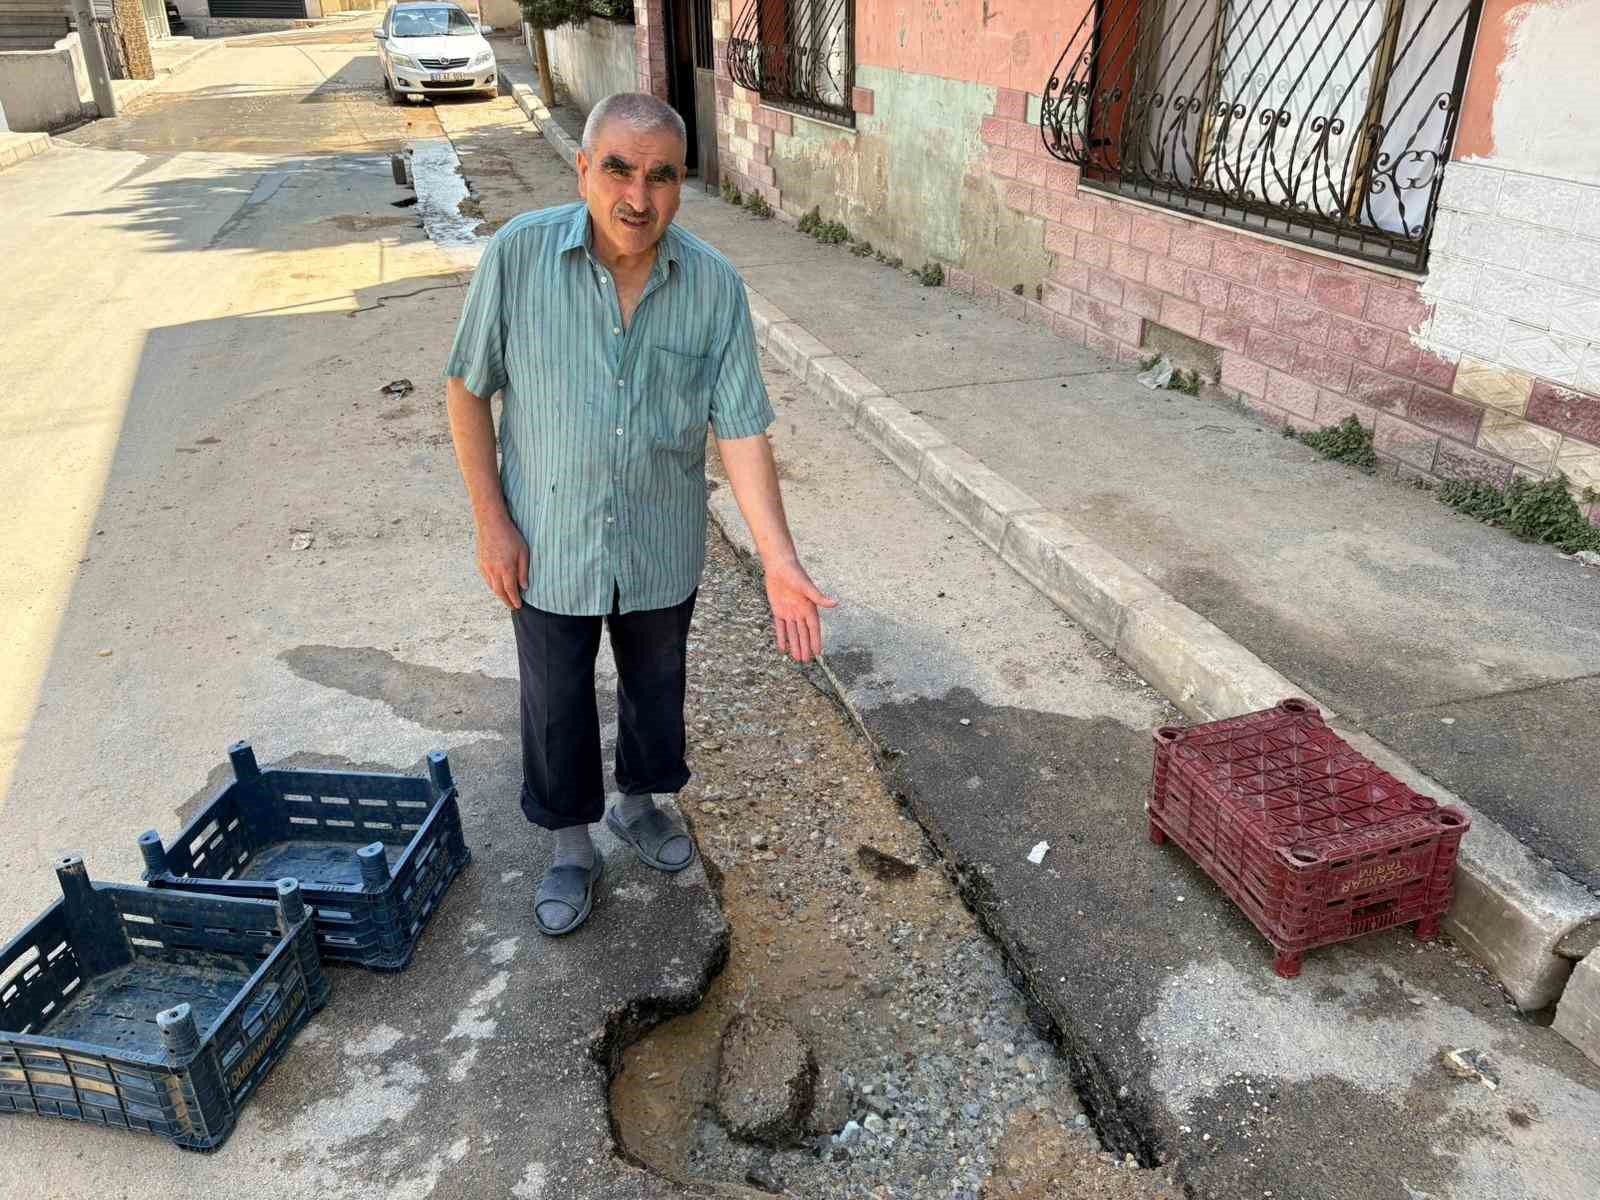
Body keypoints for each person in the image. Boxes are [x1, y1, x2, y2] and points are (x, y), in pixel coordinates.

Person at [443, 92, 834, 937]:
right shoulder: (516, 258)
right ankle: (571, 844)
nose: (637, 196)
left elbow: (740, 428)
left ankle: (640, 802)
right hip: (548, 539)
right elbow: (467, 389)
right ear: (582, 169)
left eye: (661, 176)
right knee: (555, 696)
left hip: (661, 538)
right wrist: (491, 521)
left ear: (681, 184)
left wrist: (778, 559)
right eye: (617, 168)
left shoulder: (713, 286)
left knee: (657, 687)